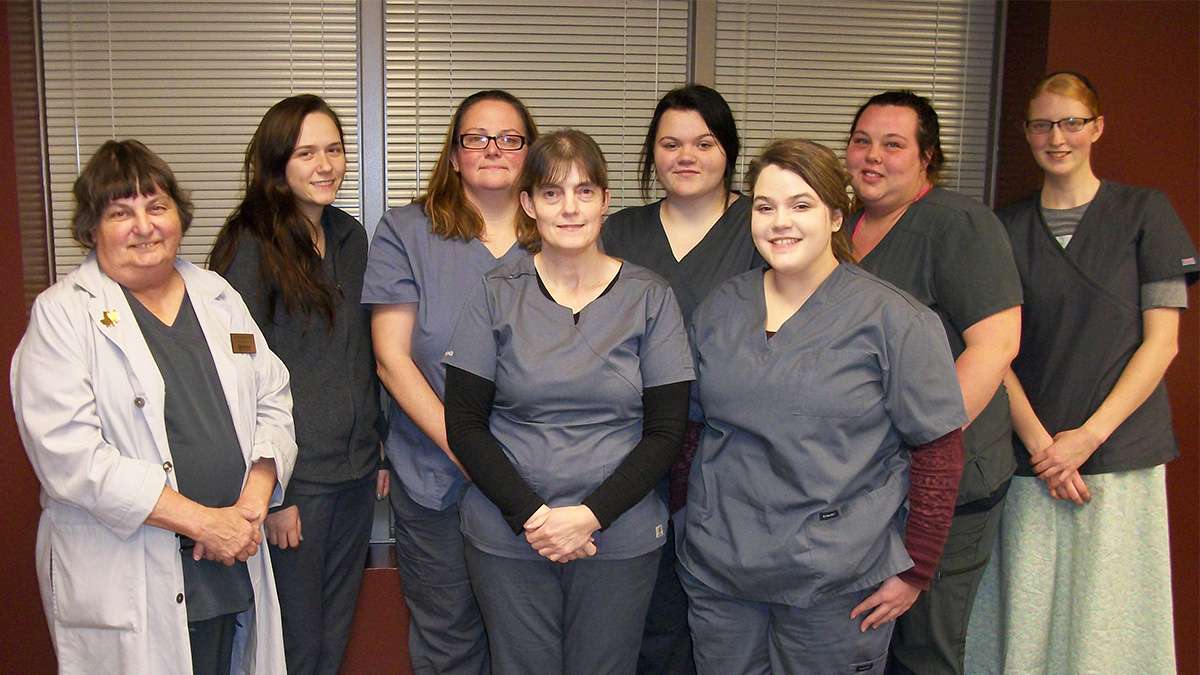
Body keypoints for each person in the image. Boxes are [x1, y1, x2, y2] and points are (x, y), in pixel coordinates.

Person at [677, 138, 966, 674]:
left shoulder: (893, 320)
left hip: (837, 582)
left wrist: (915, 569)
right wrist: (686, 519)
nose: (779, 222)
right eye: (765, 207)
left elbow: (939, 450)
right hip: (722, 570)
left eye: (801, 205)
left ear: (837, 214)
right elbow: (691, 431)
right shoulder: (722, 307)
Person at [11, 139, 296, 674]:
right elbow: (71, 460)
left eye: (157, 207)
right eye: (121, 213)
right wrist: (203, 524)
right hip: (131, 572)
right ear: (92, 228)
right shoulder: (63, 317)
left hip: (228, 564)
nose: (144, 226)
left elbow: (273, 398)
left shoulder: (216, 295)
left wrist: (252, 505)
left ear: (179, 217)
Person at [964, 72, 1198, 675]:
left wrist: (1086, 439)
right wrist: (1044, 447)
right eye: (1042, 124)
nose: (1056, 137)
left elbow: (1162, 343)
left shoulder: (1146, 213)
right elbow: (994, 352)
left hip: (1119, 453)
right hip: (1029, 459)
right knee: (1024, 617)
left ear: (1097, 127)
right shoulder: (1003, 229)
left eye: (1071, 122)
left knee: (1113, 622)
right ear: (1025, 133)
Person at [442, 129, 694, 674]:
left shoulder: (651, 298)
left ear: (606, 201)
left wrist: (589, 516)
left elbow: (667, 432)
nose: (570, 208)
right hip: (510, 533)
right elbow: (464, 424)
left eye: (585, 191)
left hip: (617, 534)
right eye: (552, 194)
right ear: (528, 204)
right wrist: (535, 516)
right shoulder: (495, 293)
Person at [843, 90, 1023, 675]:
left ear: (927, 157)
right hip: (870, 485)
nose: (873, 156)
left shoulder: (960, 224)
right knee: (869, 641)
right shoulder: (841, 228)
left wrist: (924, 449)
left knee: (923, 650)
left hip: (946, 486)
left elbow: (996, 345)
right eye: (862, 140)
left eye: (893, 144)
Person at [208, 94, 385, 675]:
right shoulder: (249, 245)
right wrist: (273, 493)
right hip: (295, 483)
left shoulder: (349, 237)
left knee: (334, 633)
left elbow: (363, 351)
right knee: (292, 643)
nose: (325, 165)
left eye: (333, 149)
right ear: (277, 162)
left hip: (356, 472)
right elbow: (237, 381)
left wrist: (378, 446)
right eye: (306, 152)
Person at [363, 89, 537, 674]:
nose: (493, 149)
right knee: (449, 637)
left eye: (510, 139)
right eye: (476, 138)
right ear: (454, 152)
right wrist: (470, 450)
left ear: (529, 153)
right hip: (437, 473)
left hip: (534, 475)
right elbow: (392, 359)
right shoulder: (407, 232)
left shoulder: (561, 234)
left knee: (526, 638)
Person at [601, 83, 760, 675]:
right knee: (650, 610)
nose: (686, 156)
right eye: (670, 143)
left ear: (729, 151)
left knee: (721, 611)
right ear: (651, 153)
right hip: (631, 446)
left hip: (729, 448)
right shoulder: (618, 232)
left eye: (704, 142)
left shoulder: (761, 226)